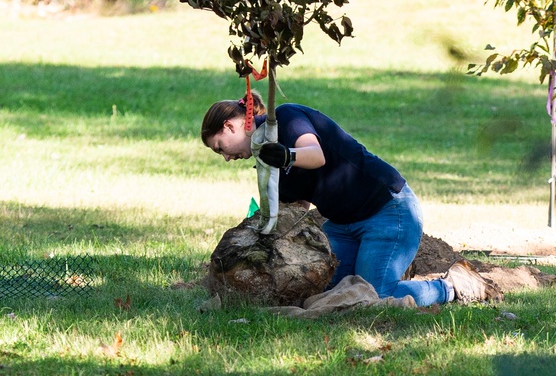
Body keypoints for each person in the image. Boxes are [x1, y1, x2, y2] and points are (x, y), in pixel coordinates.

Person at [200, 93, 483, 306]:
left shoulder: (287, 117)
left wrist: (286, 155)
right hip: (341, 225)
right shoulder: (265, 162)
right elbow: (295, 210)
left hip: (387, 210)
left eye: (220, 148)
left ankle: (452, 287)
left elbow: (315, 155)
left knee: (375, 295)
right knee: (324, 293)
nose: (226, 157)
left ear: (230, 126)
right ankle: (387, 269)